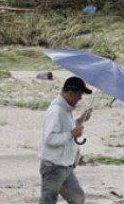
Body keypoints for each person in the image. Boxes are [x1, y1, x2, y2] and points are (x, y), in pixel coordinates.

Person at [38, 76, 94, 204]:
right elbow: (50, 138)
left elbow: (65, 127)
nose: (79, 99)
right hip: (53, 167)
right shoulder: (56, 111)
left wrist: (80, 120)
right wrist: (71, 135)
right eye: (79, 96)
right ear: (70, 93)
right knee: (48, 201)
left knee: (77, 198)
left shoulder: (65, 110)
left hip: (65, 166)